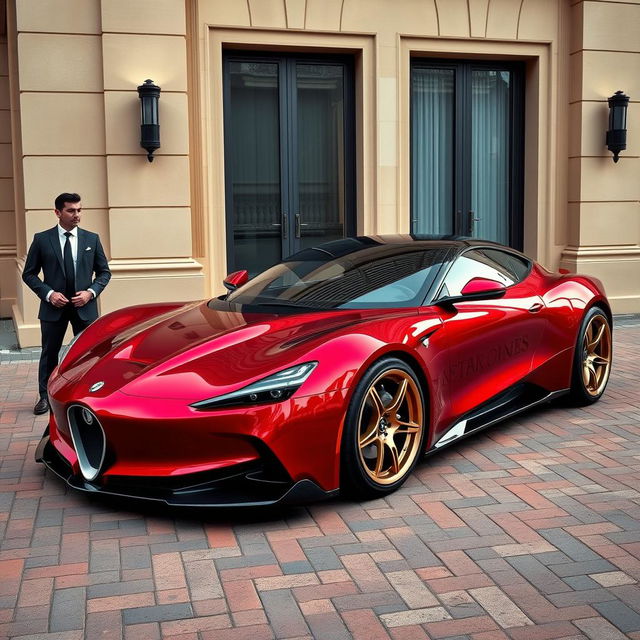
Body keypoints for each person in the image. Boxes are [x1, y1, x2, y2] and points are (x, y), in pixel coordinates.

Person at [22, 193, 111, 414]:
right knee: (49, 353)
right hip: (53, 308)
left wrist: (91, 293)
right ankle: (45, 397)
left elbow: (104, 273)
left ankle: (86, 395)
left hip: (85, 307)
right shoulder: (42, 239)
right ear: (57, 212)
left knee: (89, 353)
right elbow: (29, 274)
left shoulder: (92, 239)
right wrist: (49, 293)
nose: (77, 215)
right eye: (71, 210)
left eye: (79, 210)